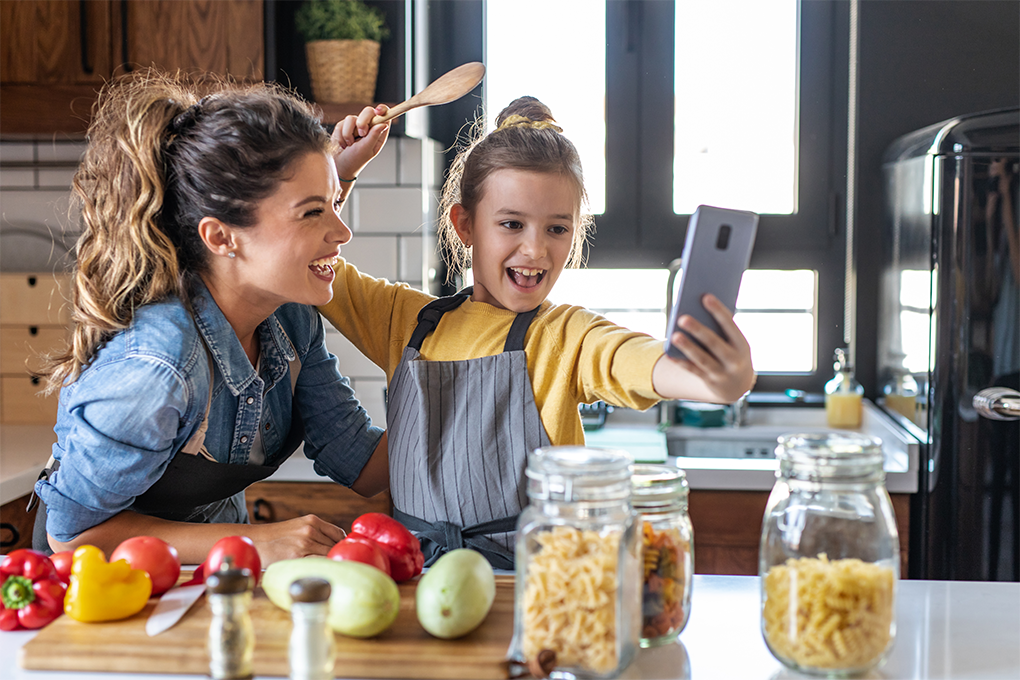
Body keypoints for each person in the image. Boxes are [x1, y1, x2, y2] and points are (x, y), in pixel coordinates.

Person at [323, 96, 756, 567]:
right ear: (464, 224)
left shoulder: (564, 336)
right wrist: (338, 176)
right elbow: (314, 262)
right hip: (416, 587)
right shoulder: (405, 321)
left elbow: (642, 361)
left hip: (536, 596)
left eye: (557, 229)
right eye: (512, 224)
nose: (535, 250)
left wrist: (719, 380)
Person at [31, 69, 390, 565]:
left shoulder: (291, 320)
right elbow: (72, 536)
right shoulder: (159, 366)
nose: (342, 232)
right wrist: (255, 542)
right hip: (101, 593)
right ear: (221, 237)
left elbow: (363, 461)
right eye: (312, 212)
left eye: (333, 203)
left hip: (208, 576)